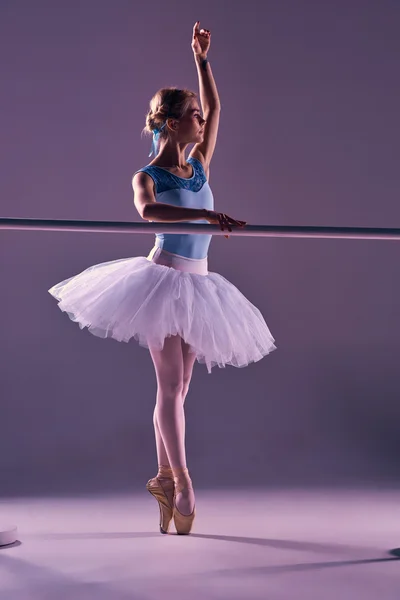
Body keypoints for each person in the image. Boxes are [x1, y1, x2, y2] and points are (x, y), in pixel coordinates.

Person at [48, 22, 277, 535]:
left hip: (201, 285)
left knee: (179, 387)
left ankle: (162, 479)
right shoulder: (147, 176)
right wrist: (207, 219)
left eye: (198, 114)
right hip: (165, 282)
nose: (200, 119)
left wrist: (201, 60)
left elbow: (217, 109)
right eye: (191, 115)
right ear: (170, 125)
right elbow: (150, 214)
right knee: (170, 386)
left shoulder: (200, 168)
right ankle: (185, 482)